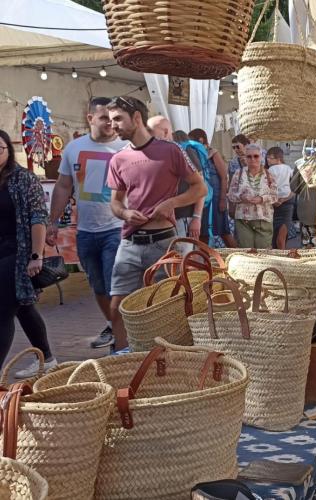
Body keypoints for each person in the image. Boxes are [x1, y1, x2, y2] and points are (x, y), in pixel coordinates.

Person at [106, 96, 207, 350]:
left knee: (166, 307)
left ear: (136, 118)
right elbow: (115, 203)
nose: (112, 125)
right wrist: (125, 214)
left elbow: (200, 188)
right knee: (117, 307)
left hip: (164, 243)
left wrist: (171, 203)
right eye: (110, 119)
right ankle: (121, 358)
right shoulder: (118, 159)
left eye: (118, 118)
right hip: (129, 243)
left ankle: (168, 358)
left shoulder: (170, 150)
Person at [46, 98, 127, 349]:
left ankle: (122, 342)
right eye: (104, 118)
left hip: (117, 228)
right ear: (90, 118)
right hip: (86, 231)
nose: (110, 123)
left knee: (115, 286)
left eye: (113, 118)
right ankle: (114, 327)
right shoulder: (74, 148)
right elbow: (63, 185)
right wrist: (52, 221)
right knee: (98, 286)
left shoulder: (126, 147)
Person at [0, 129, 56, 372]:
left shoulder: (24, 178)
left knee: (2, 311)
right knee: (23, 307)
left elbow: (38, 217)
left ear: (8, 151)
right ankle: (48, 359)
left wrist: (36, 255)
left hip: (18, 251)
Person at [147, 117, 203, 242]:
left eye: (151, 132)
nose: (148, 136)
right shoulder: (154, 153)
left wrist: (196, 218)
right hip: (161, 221)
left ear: (166, 132)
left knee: (183, 253)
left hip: (182, 218)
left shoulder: (184, 151)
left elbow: (201, 187)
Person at [188, 128, 237, 247]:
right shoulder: (195, 155)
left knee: (224, 233)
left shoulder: (213, 153)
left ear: (201, 140)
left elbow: (224, 177)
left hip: (215, 199)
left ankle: (238, 255)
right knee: (203, 234)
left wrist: (222, 199)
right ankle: (205, 257)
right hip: (203, 200)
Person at [227, 144, 277, 248]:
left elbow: (275, 196)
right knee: (246, 251)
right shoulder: (238, 173)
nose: (252, 159)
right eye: (249, 156)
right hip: (243, 220)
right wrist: (241, 197)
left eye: (256, 156)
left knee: (263, 252)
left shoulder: (269, 174)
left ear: (261, 157)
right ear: (245, 157)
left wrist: (262, 199)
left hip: (263, 219)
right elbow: (231, 194)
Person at [266, 147, 295, 249]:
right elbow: (293, 184)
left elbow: (267, 187)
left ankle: (277, 253)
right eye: (267, 158)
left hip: (274, 203)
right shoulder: (288, 168)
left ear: (278, 159)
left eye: (270, 158)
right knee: (282, 233)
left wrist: (275, 200)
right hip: (287, 201)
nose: (268, 160)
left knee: (274, 233)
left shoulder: (270, 170)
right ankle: (282, 252)